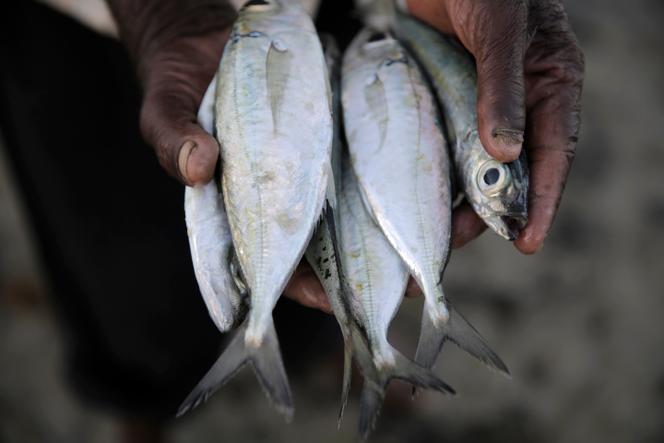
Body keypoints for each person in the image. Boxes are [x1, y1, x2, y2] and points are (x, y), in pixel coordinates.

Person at [0, 0, 583, 441]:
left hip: (302, 19)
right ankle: (142, 404)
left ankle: (342, 343)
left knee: (331, 207)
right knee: (121, 266)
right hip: (94, 26)